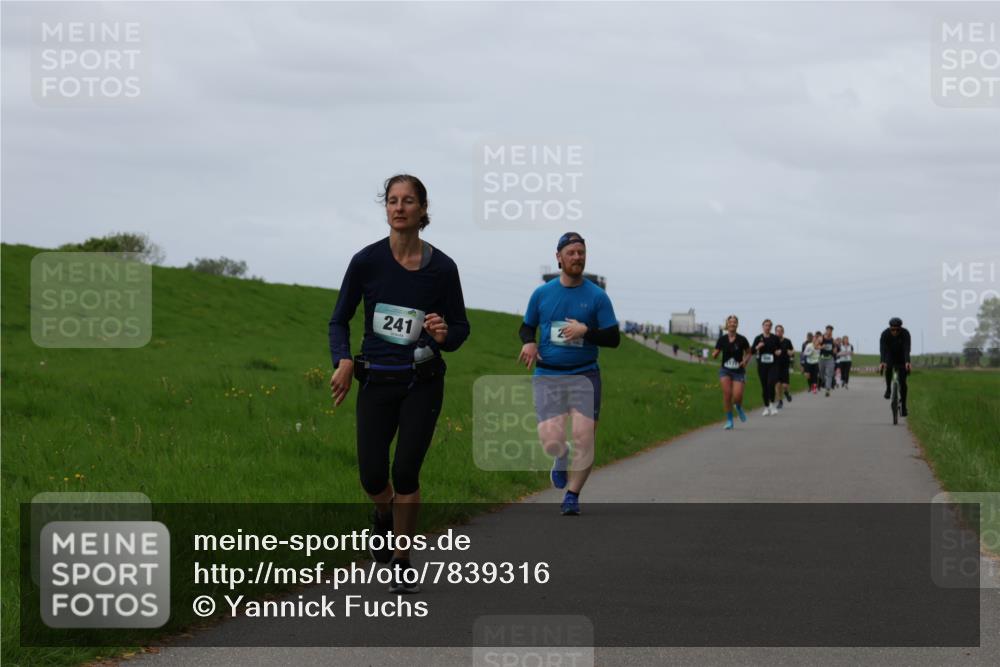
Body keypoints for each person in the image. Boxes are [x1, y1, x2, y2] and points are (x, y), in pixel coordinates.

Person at [329, 174, 470, 593]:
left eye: (409, 200)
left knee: (405, 471)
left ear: (423, 209)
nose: (399, 207)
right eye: (392, 200)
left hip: (421, 382)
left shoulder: (443, 268)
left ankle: (402, 561)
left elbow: (460, 329)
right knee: (374, 477)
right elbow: (340, 317)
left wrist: (446, 334)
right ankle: (383, 515)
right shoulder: (366, 261)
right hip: (375, 380)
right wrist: (343, 360)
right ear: (386, 207)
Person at [518, 232, 620, 516]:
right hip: (548, 374)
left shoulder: (598, 297)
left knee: (584, 436)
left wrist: (586, 331)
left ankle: (572, 495)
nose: (577, 257)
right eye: (572, 252)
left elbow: (613, 338)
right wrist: (528, 341)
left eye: (581, 252)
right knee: (551, 440)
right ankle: (560, 457)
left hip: (584, 375)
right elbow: (527, 326)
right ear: (559, 257)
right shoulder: (542, 294)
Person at [712, 315, 751, 430]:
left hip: (739, 371)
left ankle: (738, 407)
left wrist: (745, 361)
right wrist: (715, 354)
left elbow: (749, 352)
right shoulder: (722, 339)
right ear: (727, 324)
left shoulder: (742, 339)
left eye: (735, 322)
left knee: (738, 395)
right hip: (725, 370)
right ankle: (729, 420)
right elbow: (716, 351)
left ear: (737, 325)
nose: (732, 324)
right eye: (730, 322)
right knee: (727, 395)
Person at [879, 317, 912, 416]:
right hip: (890, 355)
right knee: (888, 367)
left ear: (900, 328)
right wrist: (882, 362)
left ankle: (904, 406)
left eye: (897, 329)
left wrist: (907, 362)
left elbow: (907, 348)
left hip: (902, 357)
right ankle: (888, 389)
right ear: (890, 328)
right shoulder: (885, 334)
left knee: (903, 382)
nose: (895, 332)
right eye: (893, 329)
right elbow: (882, 349)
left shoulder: (905, 333)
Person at [751, 319, 781, 416]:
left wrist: (778, 352)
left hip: (773, 365)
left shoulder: (775, 338)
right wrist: (757, 347)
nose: (767, 327)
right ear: (763, 326)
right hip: (762, 365)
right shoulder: (758, 338)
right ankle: (766, 407)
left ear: (771, 327)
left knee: (770, 383)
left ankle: (772, 405)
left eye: (769, 325)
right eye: (766, 325)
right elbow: (751, 351)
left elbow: (779, 349)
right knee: (764, 387)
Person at [774, 324, 795, 408]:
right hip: (775, 365)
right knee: (777, 384)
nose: (779, 332)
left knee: (785, 385)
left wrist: (791, 352)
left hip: (785, 365)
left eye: (780, 331)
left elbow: (792, 350)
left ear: (783, 332)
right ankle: (780, 401)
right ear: (775, 332)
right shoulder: (773, 341)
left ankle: (786, 392)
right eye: (777, 331)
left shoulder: (787, 341)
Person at [818, 325, 838, 397]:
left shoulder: (833, 340)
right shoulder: (821, 338)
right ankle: (824, 382)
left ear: (832, 331)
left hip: (830, 359)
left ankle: (827, 390)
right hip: (822, 358)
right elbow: (816, 346)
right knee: (821, 374)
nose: (829, 331)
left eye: (830, 330)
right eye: (828, 330)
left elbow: (835, 349)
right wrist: (821, 346)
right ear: (826, 330)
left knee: (829, 374)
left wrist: (835, 350)